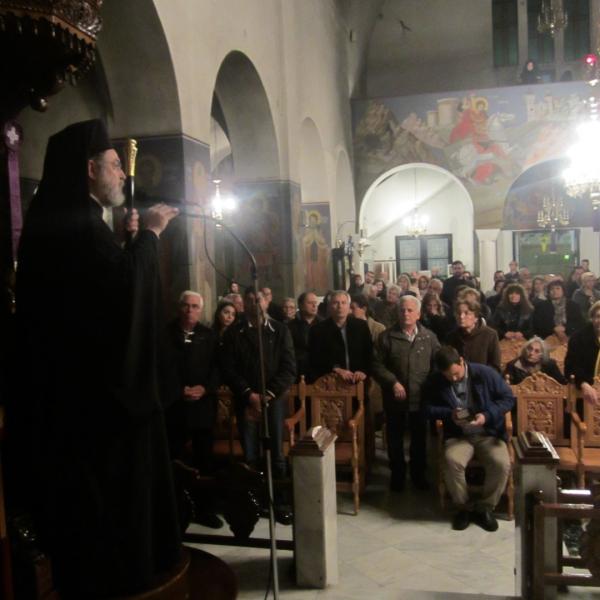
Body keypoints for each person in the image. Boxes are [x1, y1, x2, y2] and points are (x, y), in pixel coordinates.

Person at [12, 119, 181, 597]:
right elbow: (123, 297)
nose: (122, 174)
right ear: (90, 169)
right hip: (96, 410)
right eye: (113, 165)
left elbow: (96, 297)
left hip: (71, 401)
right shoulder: (80, 228)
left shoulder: (61, 221)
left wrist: (127, 248)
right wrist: (151, 236)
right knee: (103, 527)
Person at [425, 346, 514, 532]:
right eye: (448, 376)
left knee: (501, 463)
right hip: (459, 435)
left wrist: (487, 416)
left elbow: (508, 399)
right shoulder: (436, 380)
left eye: (456, 374)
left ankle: (485, 507)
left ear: (461, 361)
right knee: (452, 461)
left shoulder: (485, 373)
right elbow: (427, 409)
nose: (453, 379)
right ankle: (463, 507)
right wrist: (450, 414)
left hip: (488, 432)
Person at [220, 287, 296, 480]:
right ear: (244, 304)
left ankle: (277, 492)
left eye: (259, 299)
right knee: (250, 454)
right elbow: (228, 369)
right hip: (247, 399)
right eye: (250, 300)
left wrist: (269, 394)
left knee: (277, 453)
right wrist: (249, 394)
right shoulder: (233, 333)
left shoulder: (280, 330)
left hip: (274, 399)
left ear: (266, 302)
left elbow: (288, 368)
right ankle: (253, 493)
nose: (255, 304)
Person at [166, 291, 222, 528]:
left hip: (202, 407)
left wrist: (204, 388)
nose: (190, 310)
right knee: (174, 459)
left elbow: (218, 368)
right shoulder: (164, 334)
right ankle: (173, 509)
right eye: (186, 305)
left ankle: (204, 509)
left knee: (204, 460)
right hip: (174, 406)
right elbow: (160, 368)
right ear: (179, 307)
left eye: (195, 306)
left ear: (201, 310)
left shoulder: (209, 336)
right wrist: (179, 389)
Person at [372, 296, 440, 491]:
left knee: (419, 439)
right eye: (402, 310)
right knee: (395, 438)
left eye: (410, 310)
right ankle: (397, 475)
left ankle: (418, 475)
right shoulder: (386, 337)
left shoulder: (429, 337)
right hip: (395, 398)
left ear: (418, 314)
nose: (405, 314)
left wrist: (430, 387)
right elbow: (376, 365)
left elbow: (437, 365)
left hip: (420, 397)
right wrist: (392, 382)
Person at [308, 290, 372, 383]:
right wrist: (335, 369)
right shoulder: (318, 330)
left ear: (349, 306)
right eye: (336, 303)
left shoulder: (361, 326)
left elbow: (369, 353)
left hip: (358, 380)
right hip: (330, 381)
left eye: (343, 303)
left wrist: (363, 371)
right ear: (329, 306)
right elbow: (314, 358)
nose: (340, 306)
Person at [446, 297, 501, 371]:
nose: (461, 316)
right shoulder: (451, 337)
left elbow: (495, 366)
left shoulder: (490, 335)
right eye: (458, 313)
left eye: (466, 313)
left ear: (476, 317)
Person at [565, 300, 600, 406]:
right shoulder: (578, 339)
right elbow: (570, 368)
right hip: (584, 396)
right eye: (598, 316)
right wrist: (584, 384)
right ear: (592, 318)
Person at [288, 291, 322, 380]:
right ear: (301, 305)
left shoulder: (324, 324)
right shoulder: (290, 327)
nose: (314, 306)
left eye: (316, 303)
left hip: (320, 372)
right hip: (298, 371)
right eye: (310, 303)